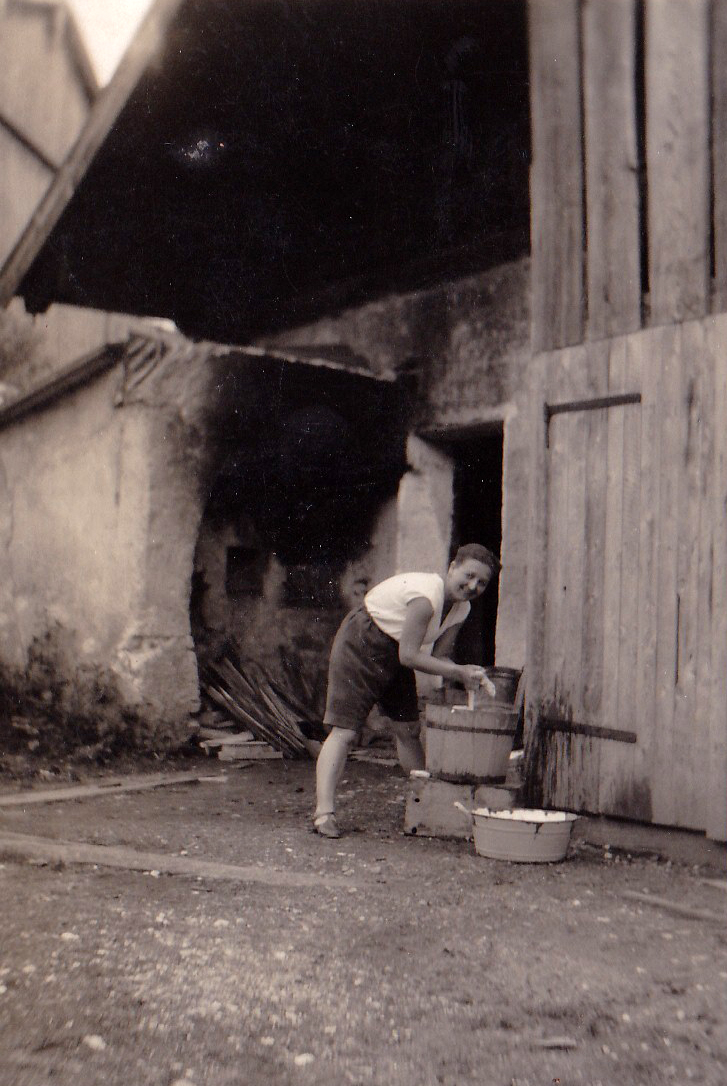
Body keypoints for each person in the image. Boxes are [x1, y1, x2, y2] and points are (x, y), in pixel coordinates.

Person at [313, 543, 501, 838]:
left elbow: (439, 657)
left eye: (482, 582)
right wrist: (458, 672)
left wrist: (467, 673)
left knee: (409, 730)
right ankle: (324, 814)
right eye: (469, 575)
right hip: (363, 640)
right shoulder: (426, 597)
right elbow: (410, 656)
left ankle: (429, 803)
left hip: (396, 650)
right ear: (452, 568)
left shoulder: (461, 608)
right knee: (345, 731)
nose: (473, 586)